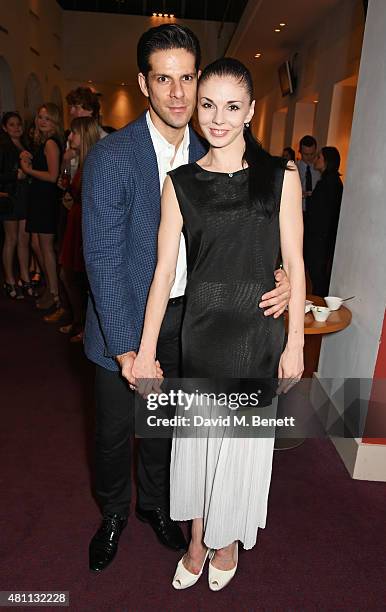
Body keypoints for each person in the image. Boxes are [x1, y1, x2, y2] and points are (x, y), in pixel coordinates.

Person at [82, 24, 291, 573]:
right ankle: (112, 515)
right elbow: (102, 261)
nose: (178, 94)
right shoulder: (112, 156)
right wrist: (131, 350)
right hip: (125, 321)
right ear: (144, 83)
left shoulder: (213, 143)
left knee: (167, 428)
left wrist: (285, 275)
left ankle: (154, 506)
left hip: (193, 324)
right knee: (113, 433)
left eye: (187, 78)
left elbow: (253, 222)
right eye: (164, 79)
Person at [133, 57, 304, 592]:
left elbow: (296, 264)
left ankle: (226, 540)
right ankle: (199, 538)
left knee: (240, 446)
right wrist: (143, 352)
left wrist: (296, 341)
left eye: (232, 106)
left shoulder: (282, 176)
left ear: (251, 111)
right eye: (208, 105)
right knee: (200, 444)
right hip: (202, 333)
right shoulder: (180, 183)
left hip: (258, 335)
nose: (218, 118)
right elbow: (163, 274)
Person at [57, 117, 100, 342]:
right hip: (76, 219)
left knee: (81, 279)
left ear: (84, 135)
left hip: (84, 223)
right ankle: (79, 321)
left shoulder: (94, 160)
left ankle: (85, 326)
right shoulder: (81, 159)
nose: (69, 137)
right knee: (70, 275)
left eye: (73, 133)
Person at [20, 103, 63, 311]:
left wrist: (28, 170)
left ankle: (55, 293)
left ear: (54, 121)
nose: (42, 121)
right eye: (39, 117)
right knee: (37, 245)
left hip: (46, 198)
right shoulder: (43, 142)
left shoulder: (51, 144)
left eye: (47, 118)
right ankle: (50, 287)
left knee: (45, 248)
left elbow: (52, 176)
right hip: (38, 197)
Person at [0, 112, 32, 298]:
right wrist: (15, 175)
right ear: (4, 127)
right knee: (11, 240)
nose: (16, 127)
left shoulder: (26, 144)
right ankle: (10, 280)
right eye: (11, 124)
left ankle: (25, 278)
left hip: (25, 197)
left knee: (24, 241)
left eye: (18, 124)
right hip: (10, 198)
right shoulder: (3, 147)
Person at [304, 146, 343, 296]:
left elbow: (319, 214)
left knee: (318, 278)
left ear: (327, 162)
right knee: (317, 278)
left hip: (319, 240)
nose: (316, 159)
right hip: (322, 239)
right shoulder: (331, 182)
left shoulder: (328, 183)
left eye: (319, 157)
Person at [296, 135, 320, 213]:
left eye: (312, 154)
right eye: (306, 154)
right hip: (298, 211)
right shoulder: (294, 169)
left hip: (315, 212)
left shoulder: (319, 169)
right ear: (300, 152)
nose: (309, 157)